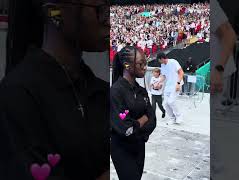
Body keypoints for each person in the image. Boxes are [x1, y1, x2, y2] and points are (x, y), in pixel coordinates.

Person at [0, 0, 109, 179]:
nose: (109, 20)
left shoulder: (99, 90)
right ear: (55, 15)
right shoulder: (17, 94)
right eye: (101, 10)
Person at [110, 46, 156, 180]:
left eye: (146, 63)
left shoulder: (141, 90)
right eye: (141, 64)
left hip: (139, 147)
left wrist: (138, 125)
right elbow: (125, 128)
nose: (145, 67)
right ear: (127, 65)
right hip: (122, 149)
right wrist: (144, 118)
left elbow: (152, 119)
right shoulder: (116, 92)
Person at [210, 0, 237, 178]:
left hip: (217, 72)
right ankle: (215, 169)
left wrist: (218, 70)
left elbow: (230, 35)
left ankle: (216, 171)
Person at [157, 52, 184, 125]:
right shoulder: (162, 65)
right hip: (168, 86)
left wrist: (178, 83)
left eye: (159, 60)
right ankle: (172, 118)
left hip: (176, 84)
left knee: (171, 101)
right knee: (165, 103)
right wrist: (158, 82)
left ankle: (179, 116)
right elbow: (163, 76)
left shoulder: (173, 62)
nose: (159, 62)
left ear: (162, 58)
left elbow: (181, 72)